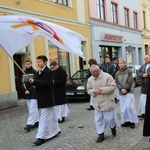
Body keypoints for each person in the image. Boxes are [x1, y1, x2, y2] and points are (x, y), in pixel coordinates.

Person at [29, 55, 61, 146]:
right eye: (37, 61)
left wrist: (35, 82)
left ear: (45, 62)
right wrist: (30, 88)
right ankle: (56, 130)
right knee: (53, 116)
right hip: (41, 98)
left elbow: (47, 83)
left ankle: (41, 137)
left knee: (44, 118)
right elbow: (36, 85)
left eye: (40, 61)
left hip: (47, 98)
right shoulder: (37, 73)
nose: (38, 63)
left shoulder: (49, 72)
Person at [87, 64, 119, 143]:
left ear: (98, 71)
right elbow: (88, 89)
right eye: (91, 73)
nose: (92, 74)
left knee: (110, 119)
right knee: (98, 120)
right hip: (97, 103)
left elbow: (113, 87)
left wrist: (101, 90)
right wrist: (94, 91)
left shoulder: (107, 76)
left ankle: (113, 127)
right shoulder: (90, 79)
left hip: (107, 102)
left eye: (93, 73)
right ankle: (100, 135)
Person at [115, 58, 138, 129]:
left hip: (128, 91)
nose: (120, 64)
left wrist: (125, 89)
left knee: (129, 107)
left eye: (122, 63)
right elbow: (117, 82)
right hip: (121, 92)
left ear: (124, 63)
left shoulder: (128, 71)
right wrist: (121, 89)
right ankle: (126, 121)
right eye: (119, 63)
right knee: (123, 108)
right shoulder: (117, 73)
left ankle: (132, 121)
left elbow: (130, 81)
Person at [21, 58, 39, 132]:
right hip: (27, 93)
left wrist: (30, 90)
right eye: (26, 64)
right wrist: (25, 90)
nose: (28, 65)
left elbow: (36, 83)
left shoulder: (34, 72)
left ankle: (29, 124)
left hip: (34, 93)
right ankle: (37, 121)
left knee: (32, 109)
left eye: (29, 64)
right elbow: (22, 83)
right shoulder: (24, 72)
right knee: (31, 109)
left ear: (31, 64)